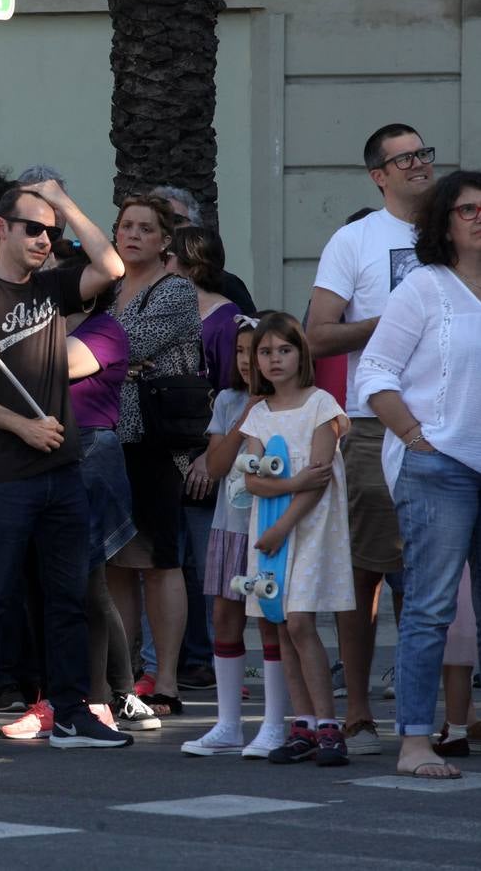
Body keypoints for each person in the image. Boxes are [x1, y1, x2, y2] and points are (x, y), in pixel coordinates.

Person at [0, 180, 132, 757]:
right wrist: (20, 425)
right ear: (1, 228)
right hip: (2, 478)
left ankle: (71, 712)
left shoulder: (52, 289)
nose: (45, 239)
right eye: (33, 228)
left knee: (67, 599)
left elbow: (112, 265)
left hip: (64, 471)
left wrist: (66, 201)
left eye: (52, 232)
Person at [305, 123, 436, 756]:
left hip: (457, 424)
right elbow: (317, 335)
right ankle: (358, 711)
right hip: (371, 424)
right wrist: (394, 323)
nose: (418, 164)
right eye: (403, 158)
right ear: (377, 176)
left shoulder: (461, 227)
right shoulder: (354, 240)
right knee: (367, 574)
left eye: (423, 153)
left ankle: (450, 715)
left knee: (448, 577)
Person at [0, 255, 161, 738]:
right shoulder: (55, 329)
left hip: (89, 456)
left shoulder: (105, 330)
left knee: (83, 584)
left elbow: (51, 365)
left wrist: (0, 337)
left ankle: (88, 701)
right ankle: (111, 693)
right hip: (49, 454)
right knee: (69, 584)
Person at [360, 169, 481, 779]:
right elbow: (373, 374)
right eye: (467, 210)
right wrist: (415, 438)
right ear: (444, 223)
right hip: (439, 468)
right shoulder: (423, 287)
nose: (480, 217)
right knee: (430, 609)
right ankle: (414, 741)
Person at [238, 313, 353, 766]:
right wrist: (292, 484)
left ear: (300, 354)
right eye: (265, 352)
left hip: (307, 527)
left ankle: (329, 726)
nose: (274, 359)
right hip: (271, 528)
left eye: (283, 350)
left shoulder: (321, 405)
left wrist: (287, 517)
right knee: (279, 622)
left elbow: (321, 479)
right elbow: (253, 482)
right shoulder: (259, 416)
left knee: (301, 620)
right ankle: (302, 724)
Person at [179, 313, 292, 758]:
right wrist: (246, 415)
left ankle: (274, 724)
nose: (248, 361)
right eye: (242, 352)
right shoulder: (228, 400)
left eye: (259, 351)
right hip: (229, 527)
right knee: (225, 619)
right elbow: (218, 464)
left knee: (270, 621)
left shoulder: (291, 403)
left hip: (268, 529)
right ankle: (227, 725)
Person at [105, 194, 198, 718]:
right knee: (116, 563)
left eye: (145, 227)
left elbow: (124, 344)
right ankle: (125, 677)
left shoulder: (176, 289)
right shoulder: (109, 289)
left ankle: (166, 680)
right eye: (125, 226)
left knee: (160, 562)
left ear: (165, 241)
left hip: (156, 443)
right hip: (108, 438)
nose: (133, 234)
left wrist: (92, 345)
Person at [172, 226, 238, 689]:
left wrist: (210, 460)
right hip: (166, 457)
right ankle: (177, 657)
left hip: (205, 457)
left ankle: (210, 656)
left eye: (169, 257)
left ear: (192, 265)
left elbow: (238, 398)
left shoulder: (225, 320)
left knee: (204, 563)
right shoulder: (168, 315)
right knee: (171, 562)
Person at [151, 185, 257, 315]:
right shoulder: (133, 282)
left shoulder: (226, 284)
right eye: (158, 222)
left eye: (176, 220)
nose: (167, 227)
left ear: (193, 226)